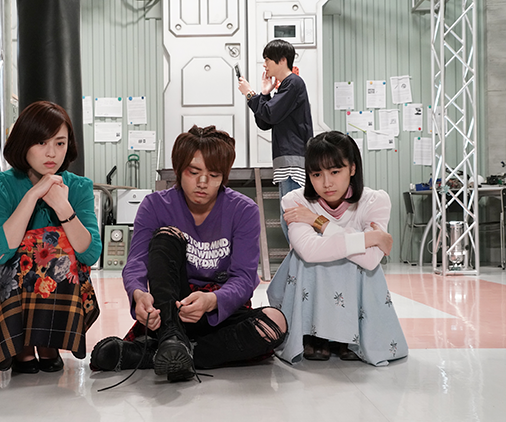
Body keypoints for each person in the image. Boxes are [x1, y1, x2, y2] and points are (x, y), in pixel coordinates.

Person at [90, 125, 288, 382]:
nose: (203, 183)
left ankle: (156, 354)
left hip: (219, 306)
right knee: (166, 236)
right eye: (193, 172)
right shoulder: (155, 205)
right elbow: (137, 261)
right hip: (170, 308)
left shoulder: (244, 210)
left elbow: (243, 278)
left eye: (214, 175)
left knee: (274, 322)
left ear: (224, 176)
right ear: (179, 169)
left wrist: (212, 301)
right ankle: (172, 338)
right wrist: (138, 294)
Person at [0, 100, 102, 374]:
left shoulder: (78, 186)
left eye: (60, 143)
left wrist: (63, 208)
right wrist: (32, 196)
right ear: (24, 143)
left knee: (53, 245)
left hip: (60, 291)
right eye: (41, 142)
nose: (52, 153)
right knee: (32, 247)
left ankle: (48, 340)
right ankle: (21, 344)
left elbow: (89, 254)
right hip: (5, 285)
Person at [267, 131, 408, 366]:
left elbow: (370, 260)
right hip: (309, 279)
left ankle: (349, 336)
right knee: (314, 258)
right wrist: (369, 238)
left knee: (349, 258)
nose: (326, 183)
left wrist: (319, 222)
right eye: (316, 174)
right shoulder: (296, 201)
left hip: (356, 288)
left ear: (352, 168)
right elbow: (310, 251)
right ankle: (314, 334)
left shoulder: (374, 201)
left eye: (335, 171)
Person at [238, 39, 313, 240]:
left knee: (293, 220)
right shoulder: (286, 86)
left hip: (294, 162)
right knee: (288, 219)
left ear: (282, 60)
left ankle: (301, 258)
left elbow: (269, 114)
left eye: (267, 59)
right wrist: (264, 93)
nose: (264, 65)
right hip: (286, 162)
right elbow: (264, 121)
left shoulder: (293, 83)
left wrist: (250, 94)